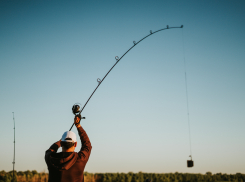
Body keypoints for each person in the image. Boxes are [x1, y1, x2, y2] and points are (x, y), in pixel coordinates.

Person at [45, 115, 92, 182]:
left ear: (61, 144)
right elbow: (87, 145)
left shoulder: (51, 158)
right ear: (75, 144)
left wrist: (60, 141)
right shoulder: (80, 159)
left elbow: (51, 150)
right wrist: (78, 125)